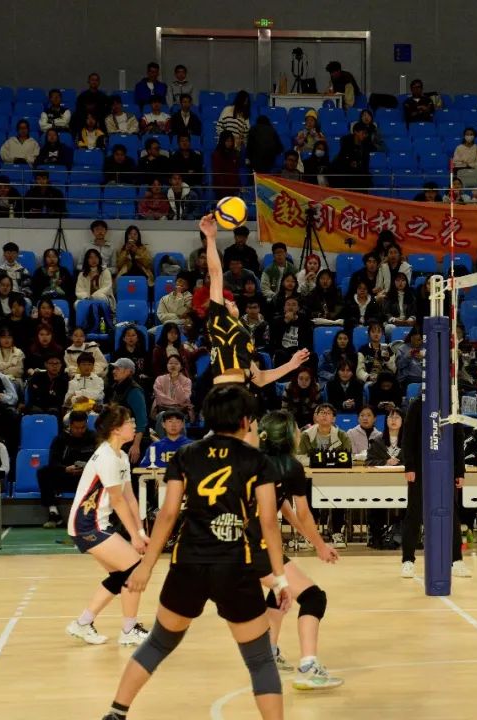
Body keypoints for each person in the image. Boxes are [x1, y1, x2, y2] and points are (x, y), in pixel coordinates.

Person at [101, 385, 290, 720]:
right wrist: (279, 578)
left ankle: (116, 713)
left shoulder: (186, 455)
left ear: (207, 417)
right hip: (235, 566)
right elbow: (269, 524)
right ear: (245, 421)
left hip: (188, 562)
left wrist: (145, 566)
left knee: (159, 642)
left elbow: (168, 515)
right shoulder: (257, 460)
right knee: (260, 659)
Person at [255, 410, 344, 689]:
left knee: (278, 592)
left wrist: (311, 539)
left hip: (235, 543)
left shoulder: (253, 461)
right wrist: (320, 546)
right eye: (295, 428)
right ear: (287, 436)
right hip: (256, 547)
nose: (299, 432)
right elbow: (304, 513)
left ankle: (268, 653)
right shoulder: (290, 467)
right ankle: (308, 667)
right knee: (313, 598)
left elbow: (282, 505)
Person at [200, 214, 309, 402]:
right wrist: (210, 239)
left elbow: (260, 378)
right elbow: (216, 273)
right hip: (225, 395)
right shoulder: (219, 320)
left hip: (243, 393)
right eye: (227, 302)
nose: (231, 302)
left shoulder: (242, 334)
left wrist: (292, 365)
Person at [64, 405, 149, 647]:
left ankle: (82, 623)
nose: (134, 425)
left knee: (121, 574)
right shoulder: (106, 457)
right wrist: (134, 537)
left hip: (97, 523)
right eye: (129, 421)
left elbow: (129, 497)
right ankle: (129, 630)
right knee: (133, 569)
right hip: (86, 524)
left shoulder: (121, 456)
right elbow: (118, 500)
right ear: (115, 429)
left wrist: (140, 531)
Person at [400, 394, 469, 578]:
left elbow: (458, 439)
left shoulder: (450, 404)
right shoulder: (417, 405)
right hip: (421, 467)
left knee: (451, 514)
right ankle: (408, 560)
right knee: (414, 513)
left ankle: (456, 560)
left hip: (445, 467)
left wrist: (460, 471)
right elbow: (408, 437)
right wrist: (409, 466)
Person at [36, 411, 96, 527]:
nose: (80, 431)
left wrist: (88, 469)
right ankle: (54, 513)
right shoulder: (60, 439)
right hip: (67, 476)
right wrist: (65, 469)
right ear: (70, 425)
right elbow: (53, 462)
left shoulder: (93, 437)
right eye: (76, 428)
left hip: (87, 478)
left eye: (83, 427)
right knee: (43, 472)